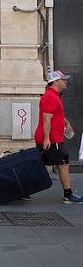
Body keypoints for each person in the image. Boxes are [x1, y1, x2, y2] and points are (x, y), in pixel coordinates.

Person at [34, 70, 83, 204]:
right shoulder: (50, 97)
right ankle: (68, 195)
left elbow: (55, 114)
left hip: (52, 138)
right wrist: (46, 139)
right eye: (63, 80)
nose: (66, 81)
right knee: (63, 164)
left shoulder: (54, 96)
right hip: (52, 139)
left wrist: (65, 122)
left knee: (36, 164)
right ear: (56, 82)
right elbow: (46, 120)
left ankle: (18, 187)